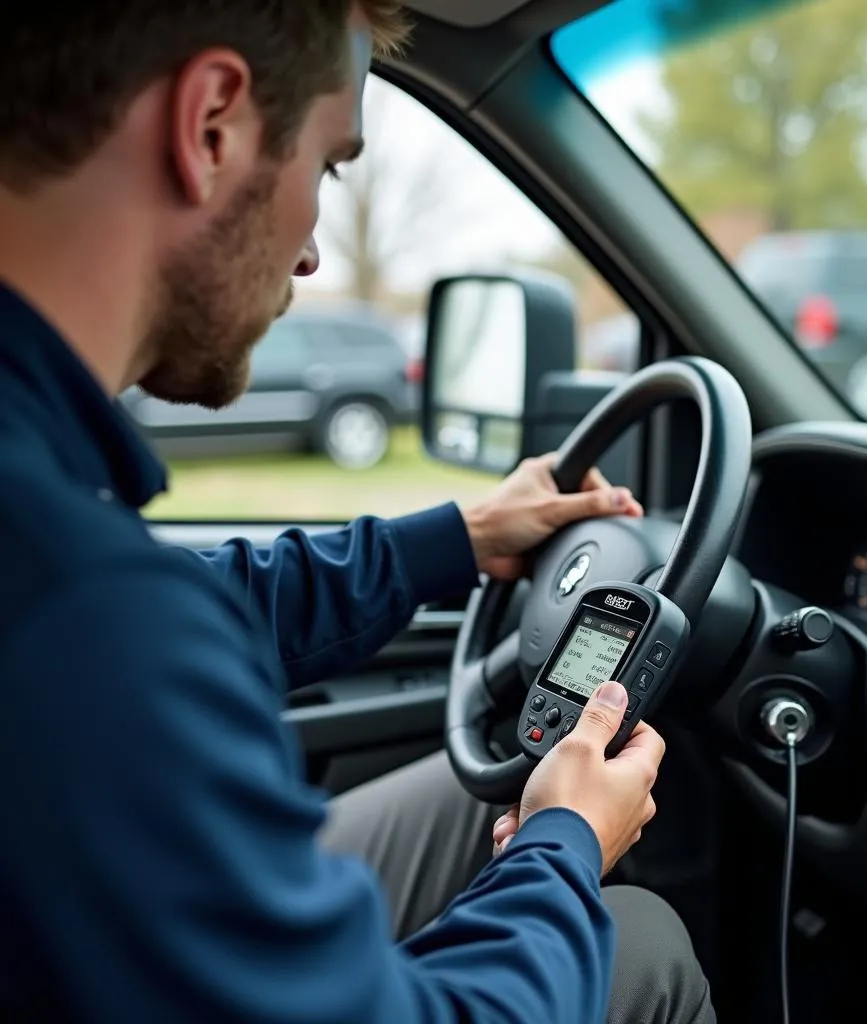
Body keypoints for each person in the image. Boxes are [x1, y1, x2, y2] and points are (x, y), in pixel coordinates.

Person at [0, 3, 717, 1022]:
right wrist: (565, 847)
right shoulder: (79, 605)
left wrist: (452, 541)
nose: (310, 257)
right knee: (639, 942)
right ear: (211, 126)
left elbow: (199, 600)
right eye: (328, 168)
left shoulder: (52, 514)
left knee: (463, 800)